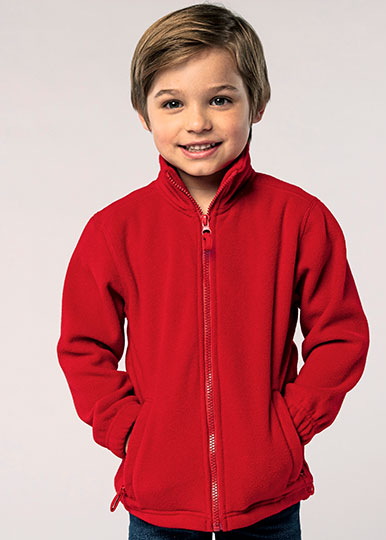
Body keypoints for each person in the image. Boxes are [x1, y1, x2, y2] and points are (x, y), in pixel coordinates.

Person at [56, 3, 370, 539]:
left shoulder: (299, 218)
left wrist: (288, 429)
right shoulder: (114, 230)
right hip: (158, 509)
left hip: (268, 508)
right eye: (172, 103)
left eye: (220, 99)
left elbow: (340, 335)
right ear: (143, 114)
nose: (197, 122)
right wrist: (130, 432)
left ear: (257, 102)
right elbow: (83, 347)